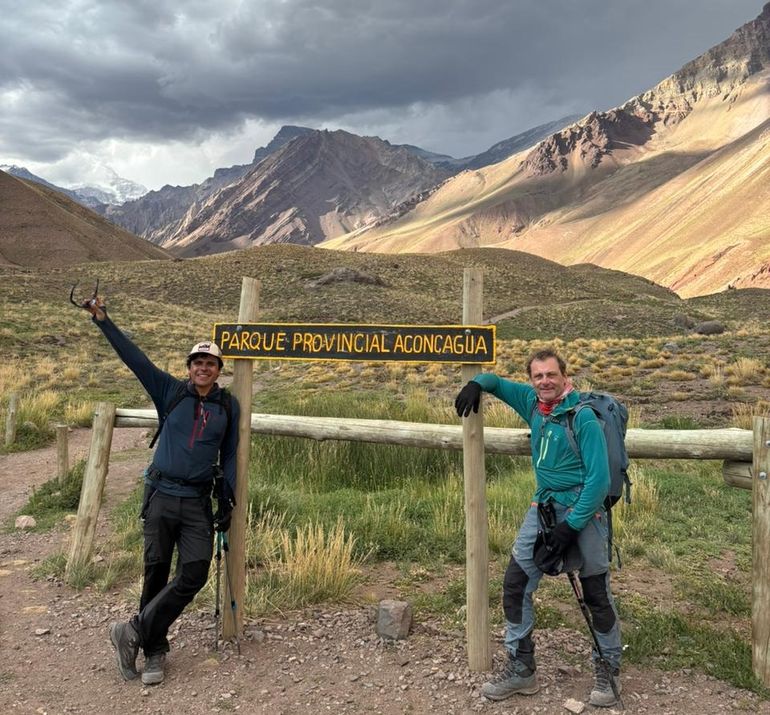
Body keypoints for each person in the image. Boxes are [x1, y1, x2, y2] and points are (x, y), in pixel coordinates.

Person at [78, 293, 239, 686]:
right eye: (198, 362)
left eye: (211, 363)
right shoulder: (169, 391)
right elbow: (135, 360)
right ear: (189, 368)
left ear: (219, 370)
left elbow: (230, 454)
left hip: (198, 501)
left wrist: (227, 497)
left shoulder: (227, 406)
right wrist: (104, 319)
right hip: (162, 495)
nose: (204, 368)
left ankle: (131, 630)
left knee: (195, 572)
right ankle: (154, 651)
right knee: (155, 573)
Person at [454, 348, 622, 708]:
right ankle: (521, 668)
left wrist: (569, 528)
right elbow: (496, 382)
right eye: (538, 376)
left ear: (564, 377)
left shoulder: (584, 419)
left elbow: (598, 481)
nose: (544, 382)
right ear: (532, 380)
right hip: (543, 507)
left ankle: (608, 668)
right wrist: (475, 385)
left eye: (551, 375)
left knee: (595, 593)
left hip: (584, 510)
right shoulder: (533, 404)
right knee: (516, 584)